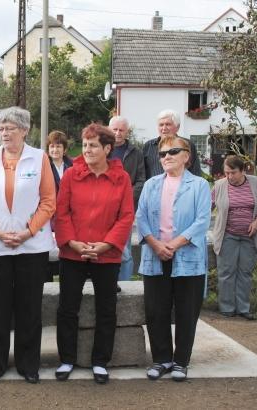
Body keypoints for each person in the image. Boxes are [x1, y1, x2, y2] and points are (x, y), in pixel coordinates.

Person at [0, 106, 56, 384]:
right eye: (1, 128)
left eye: (10, 128)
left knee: (29, 308)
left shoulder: (40, 158)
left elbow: (48, 201)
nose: (4, 133)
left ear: (24, 130)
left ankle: (28, 364)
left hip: (31, 246)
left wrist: (28, 232)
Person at [54, 123, 134, 384]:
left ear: (107, 149)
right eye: (84, 145)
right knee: (68, 308)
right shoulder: (70, 175)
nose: (86, 150)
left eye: (93, 145)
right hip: (73, 253)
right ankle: (67, 359)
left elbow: (126, 216)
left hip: (106, 254)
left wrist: (106, 244)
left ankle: (100, 362)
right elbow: (61, 212)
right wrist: (73, 243)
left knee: (106, 309)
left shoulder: (122, 178)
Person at [136, 135, 210, 382]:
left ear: (187, 156)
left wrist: (174, 244)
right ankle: (162, 359)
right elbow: (141, 217)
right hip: (155, 257)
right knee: (156, 311)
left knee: (187, 312)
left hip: (188, 260)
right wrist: (156, 245)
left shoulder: (199, 185)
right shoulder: (151, 184)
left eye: (173, 151)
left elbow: (202, 221)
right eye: (162, 153)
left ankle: (181, 361)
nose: (166, 157)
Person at [212, 155, 257, 320]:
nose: (229, 176)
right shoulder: (219, 186)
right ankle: (227, 308)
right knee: (226, 272)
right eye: (226, 173)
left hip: (250, 236)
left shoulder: (255, 183)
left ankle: (243, 308)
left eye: (233, 172)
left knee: (245, 272)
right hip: (227, 235)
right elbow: (207, 205)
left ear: (243, 170)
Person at [109, 116, 146, 281]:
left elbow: (141, 180)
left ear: (127, 132)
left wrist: (124, 198)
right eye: (115, 129)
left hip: (125, 209)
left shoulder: (136, 153)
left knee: (125, 251)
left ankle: (124, 284)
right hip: (102, 208)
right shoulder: (101, 149)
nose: (118, 133)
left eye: (121, 130)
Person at [143, 110, 202, 179]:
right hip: (154, 185)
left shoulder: (187, 145)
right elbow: (143, 173)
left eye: (168, 124)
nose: (164, 128)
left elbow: (195, 171)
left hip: (183, 185)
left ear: (178, 127)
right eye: (161, 125)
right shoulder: (148, 146)